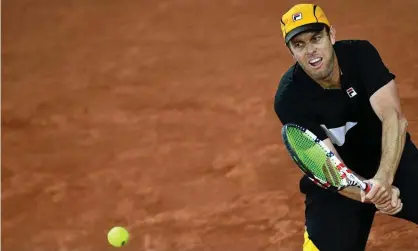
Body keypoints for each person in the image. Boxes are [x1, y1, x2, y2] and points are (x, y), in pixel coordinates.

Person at [274, 3, 418, 251]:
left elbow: (393, 118)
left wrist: (383, 178)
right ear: (291, 52)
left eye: (316, 38)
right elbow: (329, 167)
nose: (311, 51)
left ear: (331, 35)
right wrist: (374, 193)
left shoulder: (361, 55)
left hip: (391, 156)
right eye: (299, 45)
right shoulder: (289, 99)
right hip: (338, 181)